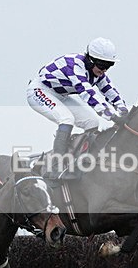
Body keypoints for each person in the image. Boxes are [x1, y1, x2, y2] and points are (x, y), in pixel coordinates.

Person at [26, 37, 128, 178]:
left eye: (109, 66)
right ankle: (57, 166)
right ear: (90, 60)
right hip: (39, 91)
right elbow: (87, 93)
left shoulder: (98, 72)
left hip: (60, 95)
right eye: (101, 65)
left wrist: (124, 111)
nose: (104, 70)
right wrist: (113, 116)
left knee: (92, 122)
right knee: (67, 119)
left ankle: (84, 161)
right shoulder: (75, 65)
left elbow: (109, 91)